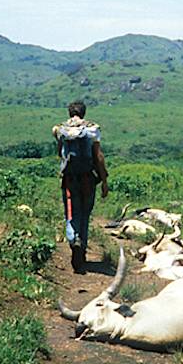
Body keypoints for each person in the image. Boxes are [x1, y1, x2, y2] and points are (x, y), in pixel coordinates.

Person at [52, 100, 109, 273]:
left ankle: (73, 240)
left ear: (70, 113)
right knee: (85, 214)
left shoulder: (60, 129)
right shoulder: (92, 129)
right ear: (83, 113)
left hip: (69, 180)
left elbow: (60, 153)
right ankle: (81, 248)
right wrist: (104, 180)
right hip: (88, 179)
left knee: (70, 214)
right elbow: (98, 156)